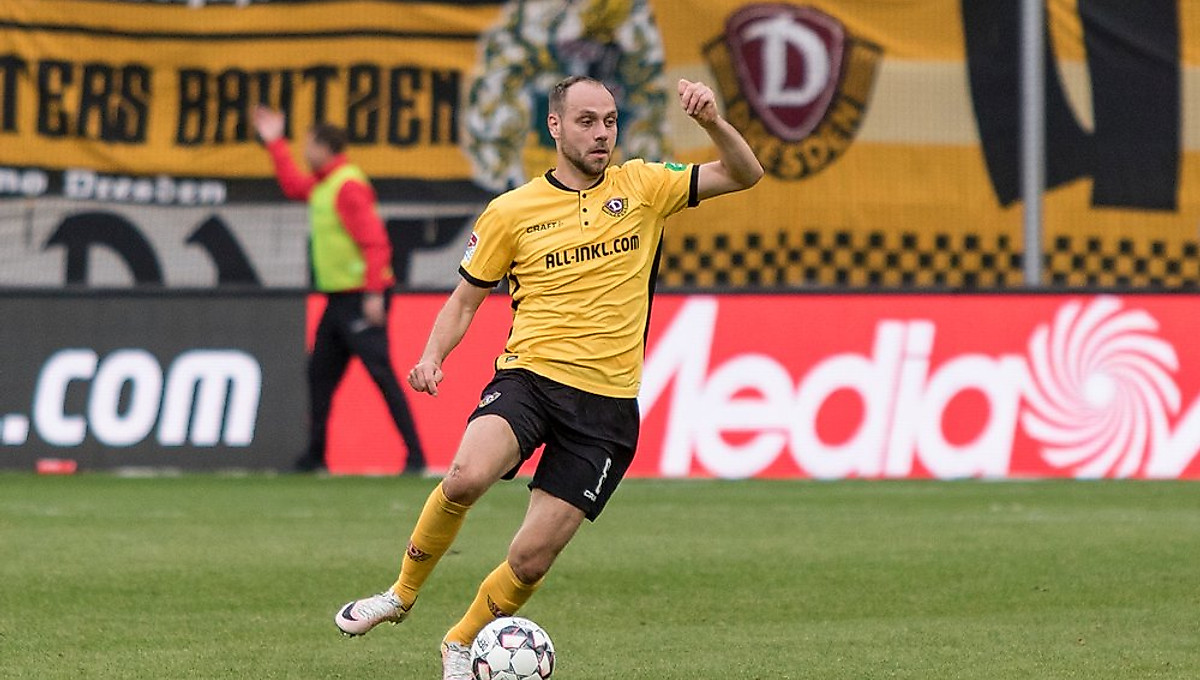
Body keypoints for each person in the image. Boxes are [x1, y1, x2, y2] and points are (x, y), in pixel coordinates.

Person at [332, 76, 762, 678]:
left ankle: (460, 642)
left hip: (606, 409)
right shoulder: (511, 211)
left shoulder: (645, 186)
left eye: (610, 121)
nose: (602, 133)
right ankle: (400, 595)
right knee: (464, 477)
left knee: (530, 559)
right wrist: (433, 356)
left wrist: (712, 121)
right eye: (586, 121)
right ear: (554, 126)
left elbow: (745, 174)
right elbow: (464, 300)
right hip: (529, 380)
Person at [252, 106, 426, 475]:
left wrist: (374, 294)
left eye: (308, 145)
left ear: (324, 147)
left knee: (381, 374)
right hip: (338, 299)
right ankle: (315, 456)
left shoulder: (347, 185)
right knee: (319, 375)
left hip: (361, 297)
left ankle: (416, 457)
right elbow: (292, 186)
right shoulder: (323, 184)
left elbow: (376, 243)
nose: (304, 152)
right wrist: (274, 143)